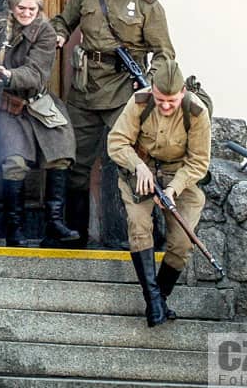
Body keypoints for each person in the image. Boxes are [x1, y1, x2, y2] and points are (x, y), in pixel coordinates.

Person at [51, 0, 175, 247]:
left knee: (129, 161)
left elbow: (165, 54)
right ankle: (75, 235)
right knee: (76, 162)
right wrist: (59, 34)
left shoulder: (147, 5)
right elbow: (63, 21)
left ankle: (139, 235)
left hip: (124, 94)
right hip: (85, 91)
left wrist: (148, 81)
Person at [0, 0, 78, 247]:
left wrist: (10, 75)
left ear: (39, 9)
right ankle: (14, 230)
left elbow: (36, 72)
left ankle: (54, 225)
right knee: (14, 162)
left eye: (32, 9)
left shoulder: (46, 32)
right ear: (12, 5)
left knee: (61, 152)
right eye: (21, 8)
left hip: (37, 103)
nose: (26, 13)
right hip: (6, 106)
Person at [107, 59, 210, 326]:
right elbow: (117, 142)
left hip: (179, 176)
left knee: (183, 241)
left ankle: (161, 296)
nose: (165, 106)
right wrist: (138, 166)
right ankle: (152, 301)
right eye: (160, 99)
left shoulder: (197, 112)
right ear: (152, 89)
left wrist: (174, 188)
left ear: (183, 93)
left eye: (171, 101)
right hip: (141, 170)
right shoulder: (139, 102)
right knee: (139, 226)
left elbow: (199, 162)